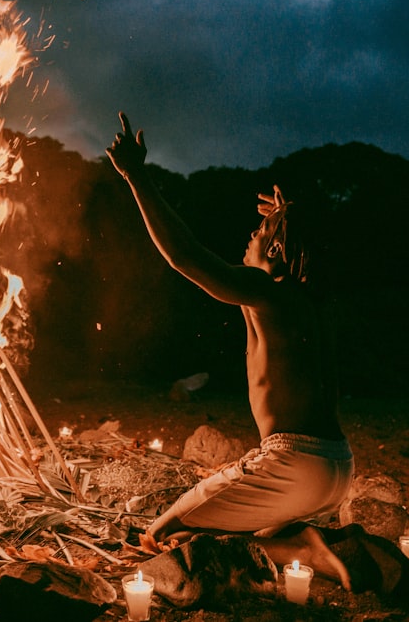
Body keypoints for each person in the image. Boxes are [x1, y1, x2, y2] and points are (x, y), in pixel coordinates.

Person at [106, 112, 356, 588]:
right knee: (216, 526)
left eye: (260, 234)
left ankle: (299, 547)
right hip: (336, 466)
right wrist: (290, 217)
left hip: (294, 463)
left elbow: (185, 256)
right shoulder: (315, 306)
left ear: (278, 252)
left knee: (163, 534)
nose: (251, 236)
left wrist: (137, 177)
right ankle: (306, 536)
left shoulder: (269, 291)